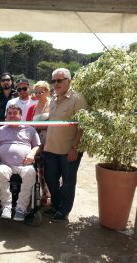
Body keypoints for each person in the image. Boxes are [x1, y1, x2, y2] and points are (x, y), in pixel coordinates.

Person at [43, 68, 87, 221]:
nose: (56, 83)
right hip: (50, 149)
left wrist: (75, 148)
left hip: (68, 150)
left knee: (68, 183)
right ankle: (56, 205)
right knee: (50, 180)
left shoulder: (78, 99)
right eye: (54, 80)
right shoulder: (54, 99)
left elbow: (82, 126)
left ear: (69, 81)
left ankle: (63, 210)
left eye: (60, 80)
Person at [0, 104, 40, 221]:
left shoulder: (30, 129)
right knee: (0, 172)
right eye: (9, 113)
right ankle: (6, 206)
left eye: (15, 113)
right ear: (6, 116)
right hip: (5, 164)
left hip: (25, 164)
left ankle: (21, 207)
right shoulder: (0, 130)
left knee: (31, 173)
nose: (12, 115)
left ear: (20, 116)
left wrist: (32, 154)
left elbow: (36, 146)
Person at [26, 80, 51, 206]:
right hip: (36, 140)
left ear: (47, 91)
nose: (38, 94)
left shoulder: (53, 105)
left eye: (41, 91)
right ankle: (43, 194)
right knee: (39, 169)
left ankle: (52, 195)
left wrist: (39, 125)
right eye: (36, 92)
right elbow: (28, 124)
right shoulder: (33, 107)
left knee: (50, 169)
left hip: (50, 140)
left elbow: (55, 123)